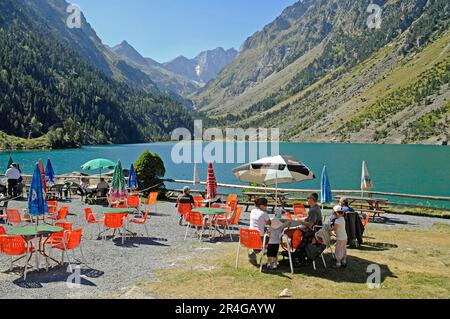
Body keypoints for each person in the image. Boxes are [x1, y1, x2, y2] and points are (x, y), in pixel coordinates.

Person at [248, 198, 272, 265]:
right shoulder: (264, 213)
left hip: (249, 236)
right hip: (259, 238)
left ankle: (255, 250)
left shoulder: (252, 211)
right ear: (261, 205)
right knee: (272, 236)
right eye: (266, 205)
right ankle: (265, 251)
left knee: (264, 232)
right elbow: (269, 223)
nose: (266, 206)